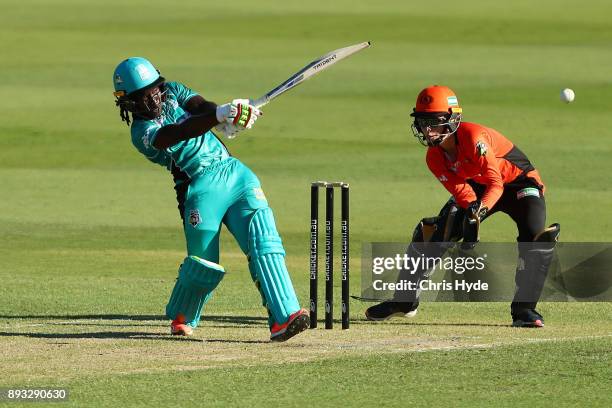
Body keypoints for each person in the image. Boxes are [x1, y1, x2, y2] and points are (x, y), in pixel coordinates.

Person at [112, 57, 309, 341]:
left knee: (265, 242)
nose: (152, 98)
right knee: (204, 266)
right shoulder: (140, 133)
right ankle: (182, 316)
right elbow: (177, 132)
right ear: (127, 102)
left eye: (154, 89)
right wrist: (217, 118)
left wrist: (226, 115)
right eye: (142, 96)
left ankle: (285, 317)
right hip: (199, 189)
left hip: (235, 173)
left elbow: (199, 107)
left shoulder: (173, 90)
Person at [365, 85, 560, 327]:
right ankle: (404, 301)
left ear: (452, 119)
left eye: (434, 122)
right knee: (434, 234)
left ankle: (524, 311)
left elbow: (496, 184)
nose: (427, 129)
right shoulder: (434, 157)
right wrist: (470, 213)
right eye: (423, 121)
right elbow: (462, 191)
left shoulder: (474, 138)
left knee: (535, 236)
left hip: (519, 184)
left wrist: (479, 211)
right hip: (478, 186)